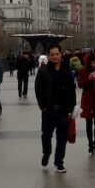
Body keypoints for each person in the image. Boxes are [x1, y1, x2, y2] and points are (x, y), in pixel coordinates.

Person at [34, 44, 77, 173]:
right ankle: (46, 153)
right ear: (48, 56)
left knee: (62, 138)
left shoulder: (67, 70)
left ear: (61, 54)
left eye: (57, 54)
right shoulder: (43, 71)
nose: (55, 56)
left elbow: (71, 89)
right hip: (49, 110)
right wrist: (43, 106)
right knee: (46, 135)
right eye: (52, 54)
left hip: (64, 110)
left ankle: (59, 162)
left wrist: (72, 107)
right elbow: (38, 89)